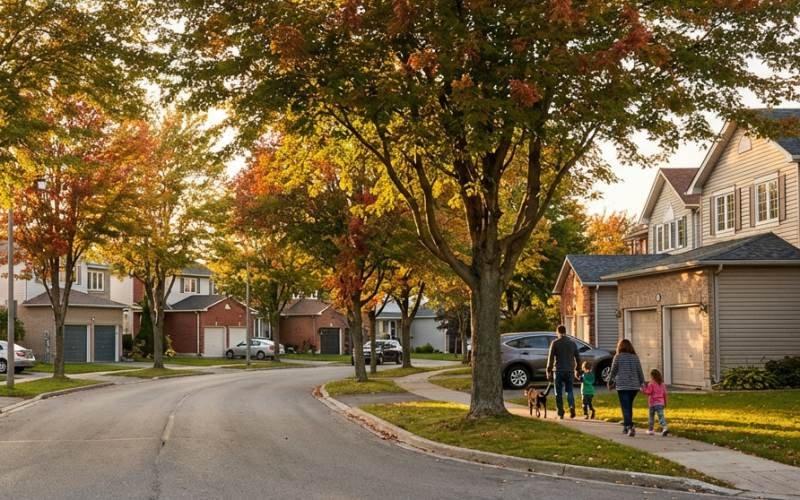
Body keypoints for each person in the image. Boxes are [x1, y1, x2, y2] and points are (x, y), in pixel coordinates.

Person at [607, 338, 645, 436]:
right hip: (634, 386)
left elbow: (613, 371)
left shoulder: (618, 357)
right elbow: (639, 371)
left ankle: (630, 426)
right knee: (628, 406)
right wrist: (642, 383)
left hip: (623, 386)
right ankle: (625, 427)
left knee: (625, 407)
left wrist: (609, 381)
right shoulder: (635, 357)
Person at [546, 325, 581, 419]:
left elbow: (550, 359)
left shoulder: (555, 343)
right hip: (569, 370)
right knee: (569, 390)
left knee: (558, 392)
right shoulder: (572, 343)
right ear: (565, 332)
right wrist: (577, 369)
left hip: (558, 370)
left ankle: (560, 413)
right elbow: (578, 358)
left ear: (557, 332)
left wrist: (548, 371)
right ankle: (572, 406)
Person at [642, 368, 669, 436]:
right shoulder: (662, 384)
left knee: (651, 416)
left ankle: (651, 430)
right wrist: (665, 403)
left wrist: (643, 389)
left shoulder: (651, 384)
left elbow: (648, 392)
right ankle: (665, 427)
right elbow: (665, 394)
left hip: (652, 403)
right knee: (661, 416)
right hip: (660, 403)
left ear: (652, 376)